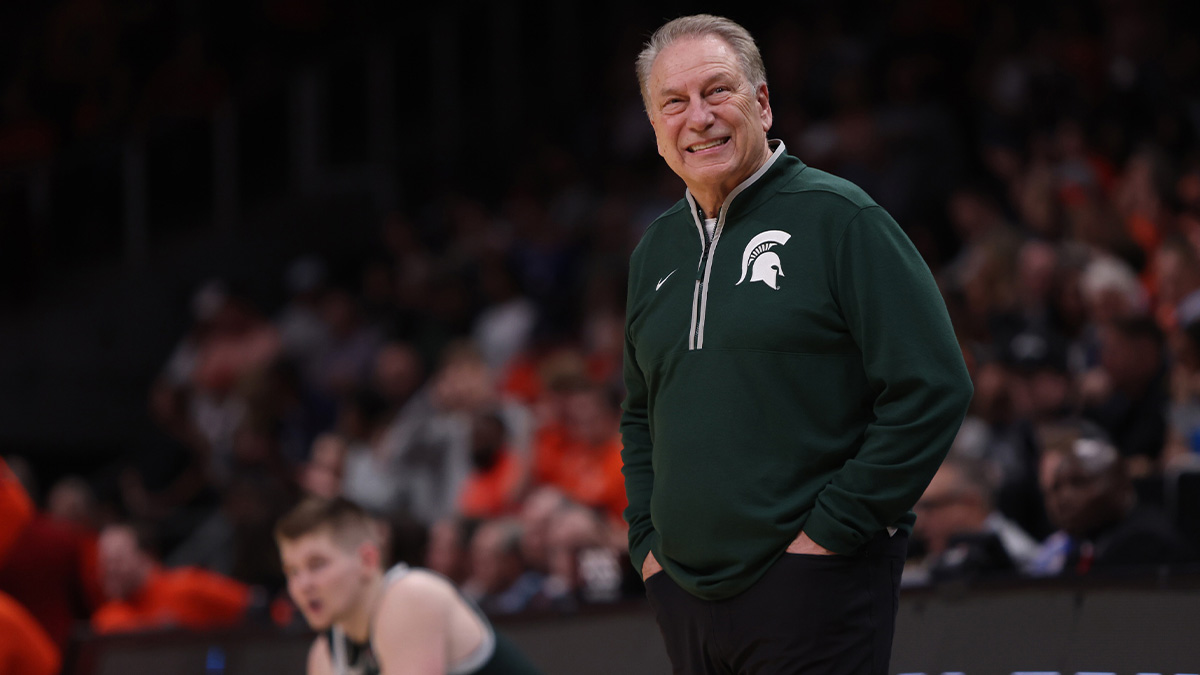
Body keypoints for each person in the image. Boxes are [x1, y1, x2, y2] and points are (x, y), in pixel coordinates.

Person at [620, 14, 973, 674]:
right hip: (684, 596)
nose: (699, 117)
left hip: (816, 584)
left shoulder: (842, 218)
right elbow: (641, 415)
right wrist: (647, 544)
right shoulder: (653, 251)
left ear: (761, 102)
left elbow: (933, 387)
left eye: (717, 90)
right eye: (674, 102)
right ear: (655, 128)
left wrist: (833, 533)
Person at [275, 496, 543, 675]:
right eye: (292, 572)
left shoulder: (410, 595)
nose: (302, 585)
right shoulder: (325, 654)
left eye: (317, 565)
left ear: (368, 560)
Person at [90, 522, 253, 634]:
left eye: (117, 561)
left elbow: (255, 605)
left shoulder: (188, 586)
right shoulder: (106, 619)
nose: (109, 570)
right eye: (104, 563)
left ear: (146, 556)